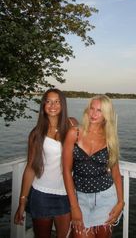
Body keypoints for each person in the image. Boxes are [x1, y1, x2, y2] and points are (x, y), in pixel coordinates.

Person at [14, 88, 78, 238]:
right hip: (41, 195)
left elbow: (84, 149)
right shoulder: (36, 134)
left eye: (57, 101)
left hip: (66, 194)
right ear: (43, 105)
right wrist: (22, 202)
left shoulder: (72, 124)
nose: (52, 105)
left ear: (63, 105)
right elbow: (30, 168)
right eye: (48, 101)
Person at [63, 95, 124, 238]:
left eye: (99, 110)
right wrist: (74, 207)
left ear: (106, 115)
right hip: (80, 197)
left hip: (106, 197)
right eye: (92, 108)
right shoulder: (74, 133)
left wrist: (121, 202)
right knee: (79, 235)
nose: (94, 113)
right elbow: (66, 171)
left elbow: (115, 173)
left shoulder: (110, 138)